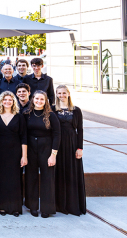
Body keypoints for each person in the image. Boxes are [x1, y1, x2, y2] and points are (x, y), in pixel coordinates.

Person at [24, 90, 60, 218]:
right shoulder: (27, 114)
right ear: (32, 99)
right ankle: (32, 206)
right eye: (37, 99)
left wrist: (53, 155)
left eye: (42, 99)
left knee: (47, 179)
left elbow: (57, 135)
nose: (39, 101)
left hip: (47, 149)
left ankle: (47, 208)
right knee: (31, 177)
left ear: (46, 101)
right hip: (31, 149)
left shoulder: (51, 115)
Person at [0, 91, 27, 217]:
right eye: (5, 99)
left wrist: (24, 156)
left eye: (10, 100)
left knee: (14, 179)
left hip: (15, 151)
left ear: (13, 102)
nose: (7, 102)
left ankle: (15, 207)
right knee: (0, 178)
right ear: (1, 101)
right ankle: (1, 206)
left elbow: (24, 137)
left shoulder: (19, 116)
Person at [53, 85, 86, 216]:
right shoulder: (53, 109)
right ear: (56, 94)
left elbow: (80, 130)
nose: (61, 95)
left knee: (72, 173)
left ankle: (73, 205)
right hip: (58, 145)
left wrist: (80, 148)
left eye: (64, 93)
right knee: (60, 172)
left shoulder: (76, 110)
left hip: (72, 144)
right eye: (59, 93)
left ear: (68, 94)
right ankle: (60, 204)